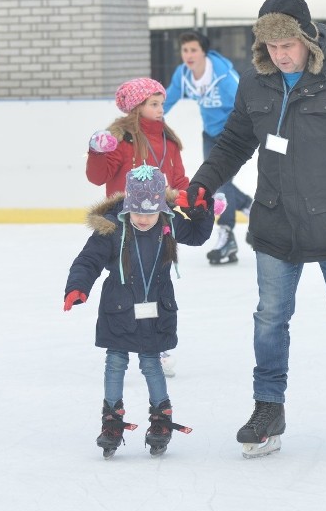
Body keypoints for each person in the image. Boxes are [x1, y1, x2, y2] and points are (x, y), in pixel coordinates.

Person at [179, 0, 326, 458]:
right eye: (272, 44)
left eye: (288, 43)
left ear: (307, 37)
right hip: (276, 221)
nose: (280, 54)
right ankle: (268, 407)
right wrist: (202, 184)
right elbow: (234, 142)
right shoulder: (257, 84)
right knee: (270, 319)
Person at [63, 164, 214, 458]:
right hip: (118, 310)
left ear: (161, 208)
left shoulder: (168, 224)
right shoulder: (112, 229)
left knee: (151, 363)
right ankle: (111, 420)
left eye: (150, 212)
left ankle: (161, 419)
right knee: (115, 362)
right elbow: (88, 260)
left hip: (156, 308)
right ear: (127, 208)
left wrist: (201, 212)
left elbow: (197, 235)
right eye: (138, 212)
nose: (144, 219)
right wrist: (77, 286)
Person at [85, 77, 189, 377]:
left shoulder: (168, 140)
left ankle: (155, 343)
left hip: (158, 223)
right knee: (126, 286)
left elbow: (179, 180)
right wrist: (97, 151)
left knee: (156, 283)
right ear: (136, 108)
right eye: (153, 105)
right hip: (125, 223)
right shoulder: (121, 140)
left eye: (161, 104)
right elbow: (97, 176)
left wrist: (196, 198)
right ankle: (120, 341)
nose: (160, 110)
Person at [164, 30, 253, 265]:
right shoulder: (183, 75)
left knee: (221, 183)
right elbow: (165, 102)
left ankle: (226, 234)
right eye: (185, 50)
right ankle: (249, 207)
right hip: (210, 134)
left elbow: (245, 100)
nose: (189, 55)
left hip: (232, 137)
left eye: (193, 50)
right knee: (217, 182)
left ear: (204, 51)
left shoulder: (222, 76)